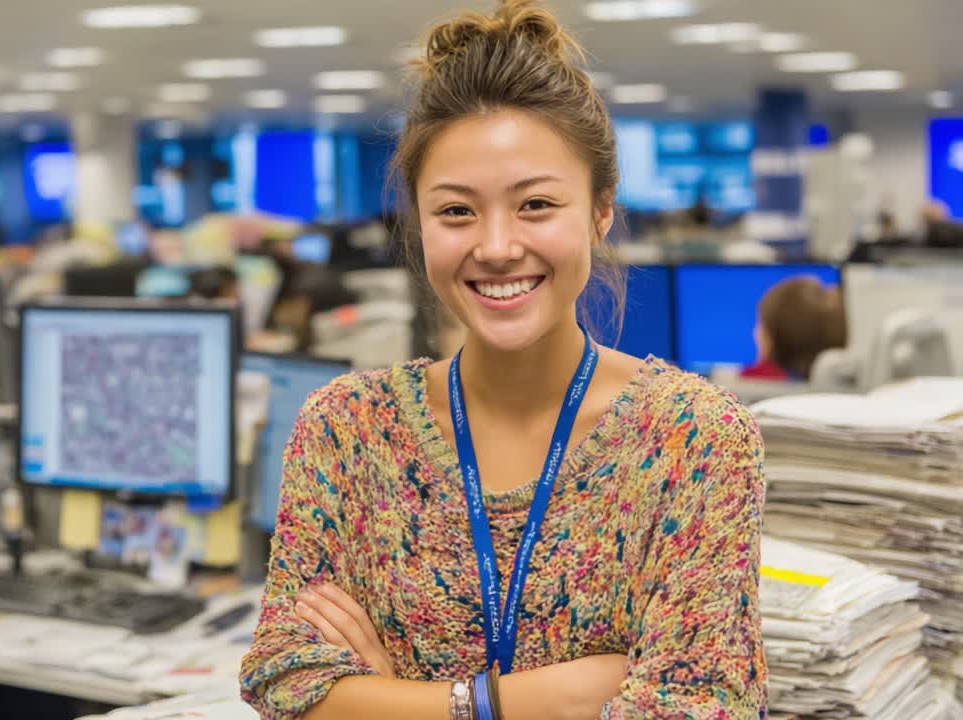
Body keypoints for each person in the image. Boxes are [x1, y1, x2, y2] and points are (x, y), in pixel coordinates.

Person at [239, 2, 767, 719]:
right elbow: (283, 681)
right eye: (456, 211)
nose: (494, 246)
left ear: (601, 210)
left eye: (536, 204)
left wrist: (385, 699)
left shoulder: (693, 439)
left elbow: (700, 707)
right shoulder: (346, 429)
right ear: (419, 225)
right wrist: (521, 699)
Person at [742, 276, 846, 381]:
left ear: (771, 340)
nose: (756, 333)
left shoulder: (753, 382)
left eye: (761, 324)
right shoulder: (847, 388)